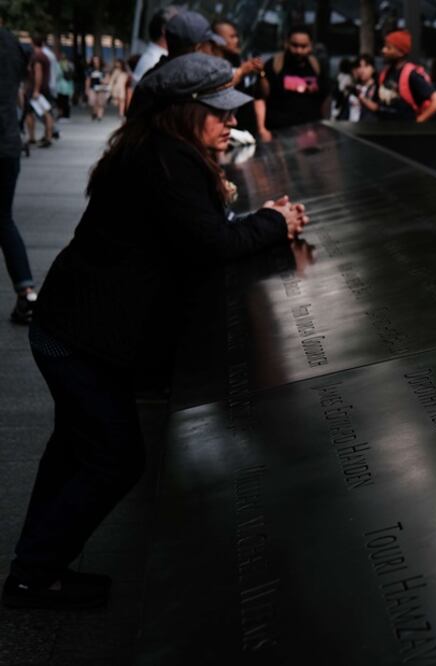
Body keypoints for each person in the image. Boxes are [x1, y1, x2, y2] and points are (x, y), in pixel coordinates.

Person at [1, 53, 308, 611]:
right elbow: (211, 243)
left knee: (73, 449)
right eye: (217, 111)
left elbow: (199, 231)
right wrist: (274, 222)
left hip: (73, 328)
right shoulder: (167, 161)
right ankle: (34, 573)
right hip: (79, 339)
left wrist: (263, 218)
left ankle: (34, 566)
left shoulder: (156, 151)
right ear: (182, 112)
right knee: (114, 457)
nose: (231, 120)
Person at [0, 17, 37, 323]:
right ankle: (26, 292)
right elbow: (28, 85)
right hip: (7, 143)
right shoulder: (13, 44)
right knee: (3, 218)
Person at [261, 27, 331, 131]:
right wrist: (262, 129)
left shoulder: (316, 65)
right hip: (280, 131)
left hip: (310, 130)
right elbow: (261, 97)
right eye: (295, 45)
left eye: (303, 46)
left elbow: (325, 97)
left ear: (310, 46)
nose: (299, 51)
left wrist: (325, 124)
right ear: (286, 44)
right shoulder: (274, 65)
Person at [212, 18, 269, 140]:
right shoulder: (212, 65)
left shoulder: (237, 59)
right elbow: (218, 91)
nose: (237, 41)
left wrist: (261, 73)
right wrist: (241, 72)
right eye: (232, 37)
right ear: (217, 40)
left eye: (237, 36)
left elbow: (260, 95)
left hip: (247, 127)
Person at [375, 30, 436, 122]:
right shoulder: (385, 73)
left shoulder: (411, 75)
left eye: (388, 48)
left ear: (401, 53)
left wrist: (418, 122)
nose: (383, 50)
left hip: (405, 129)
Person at [132, 6, 179, 84]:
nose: (180, 29)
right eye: (176, 24)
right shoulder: (153, 60)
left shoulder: (155, 57)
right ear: (164, 29)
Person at [24, 37, 55, 148]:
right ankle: (48, 136)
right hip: (44, 87)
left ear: (33, 43)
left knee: (32, 113)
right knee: (47, 112)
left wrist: (36, 90)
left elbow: (38, 73)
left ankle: (35, 137)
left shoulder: (37, 57)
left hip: (36, 89)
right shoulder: (46, 56)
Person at [85, 55, 107, 121]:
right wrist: (86, 88)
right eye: (94, 60)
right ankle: (94, 112)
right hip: (92, 87)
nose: (96, 61)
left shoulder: (103, 69)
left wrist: (104, 81)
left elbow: (107, 78)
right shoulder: (90, 69)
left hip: (101, 87)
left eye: (97, 60)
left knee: (100, 102)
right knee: (92, 101)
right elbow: (88, 80)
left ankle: (100, 116)